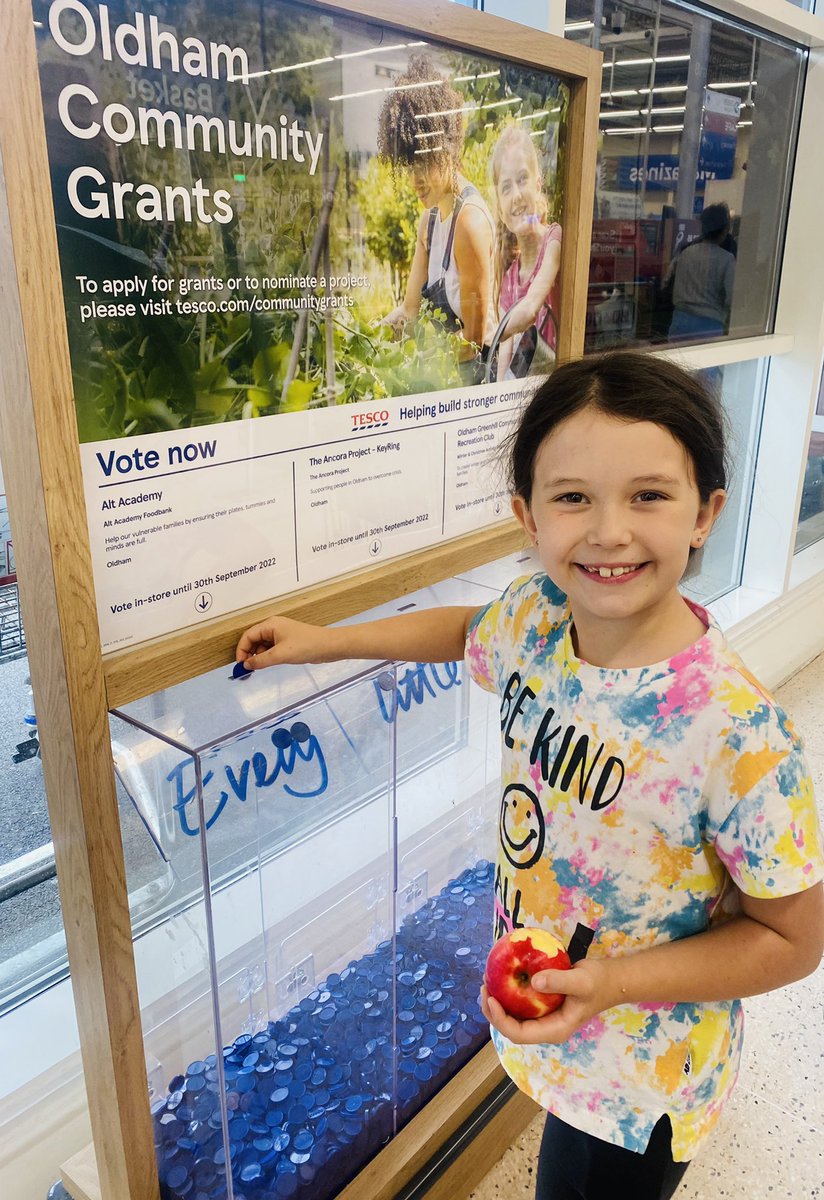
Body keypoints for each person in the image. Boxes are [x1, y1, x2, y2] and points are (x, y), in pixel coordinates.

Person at [235, 351, 824, 1200]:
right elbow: (464, 629)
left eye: (649, 495)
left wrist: (611, 984)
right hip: (554, 1023)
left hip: (639, 1076)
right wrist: (322, 639)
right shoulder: (537, 619)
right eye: (573, 496)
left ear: (706, 514)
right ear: (528, 514)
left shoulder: (741, 737)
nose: (609, 531)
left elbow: (791, 941)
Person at [377, 55, 496, 384]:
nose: (415, 182)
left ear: (445, 149)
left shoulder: (469, 223)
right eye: (409, 167)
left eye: (423, 165)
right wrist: (371, 339)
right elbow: (410, 312)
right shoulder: (429, 221)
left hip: (475, 383)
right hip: (445, 377)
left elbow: (473, 343)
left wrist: (416, 361)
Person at [491, 124, 562, 379]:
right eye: (506, 187)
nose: (517, 195)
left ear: (538, 185)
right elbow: (505, 359)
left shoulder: (554, 239)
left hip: (559, 389)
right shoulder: (510, 278)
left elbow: (531, 307)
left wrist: (494, 331)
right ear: (500, 208)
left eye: (522, 179)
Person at [667, 203, 736, 343]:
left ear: (702, 227)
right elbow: (731, 298)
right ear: (725, 229)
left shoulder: (684, 253)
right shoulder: (727, 259)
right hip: (709, 324)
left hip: (680, 319)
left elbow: (666, 280)